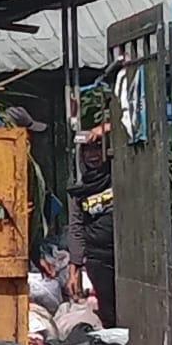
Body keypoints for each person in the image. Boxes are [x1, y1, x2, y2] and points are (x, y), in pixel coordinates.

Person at [66, 123, 116, 327]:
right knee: (109, 312)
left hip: (126, 256)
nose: (93, 155)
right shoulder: (80, 189)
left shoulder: (118, 174)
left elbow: (128, 123)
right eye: (87, 150)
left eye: (97, 148)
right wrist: (74, 270)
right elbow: (76, 227)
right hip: (98, 260)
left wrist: (103, 129)